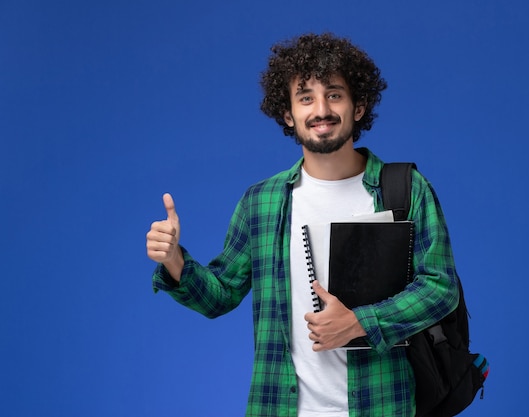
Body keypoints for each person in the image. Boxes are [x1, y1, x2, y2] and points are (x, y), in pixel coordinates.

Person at [146, 33, 460, 417]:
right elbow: (220, 295)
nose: (321, 109)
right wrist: (175, 258)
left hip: (381, 404)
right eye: (306, 97)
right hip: (279, 406)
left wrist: (361, 322)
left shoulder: (405, 190)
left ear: (358, 106)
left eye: (334, 94)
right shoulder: (261, 202)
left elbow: (440, 288)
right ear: (288, 113)